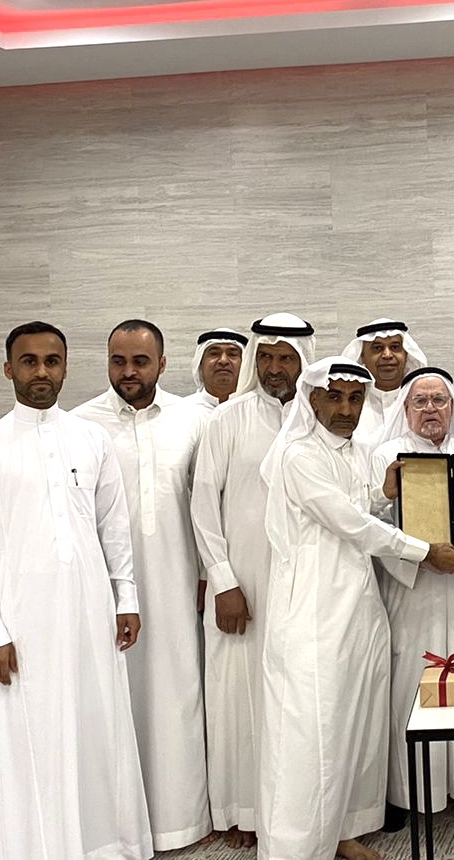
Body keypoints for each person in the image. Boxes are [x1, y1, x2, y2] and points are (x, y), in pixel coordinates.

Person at [259, 357, 454, 860]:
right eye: (335, 397)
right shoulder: (298, 454)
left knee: (355, 721)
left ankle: (342, 831)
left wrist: (385, 493)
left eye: (355, 399)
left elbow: (361, 508)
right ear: (313, 400)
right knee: (312, 728)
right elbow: (351, 524)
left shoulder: (355, 451)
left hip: (359, 603)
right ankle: (296, 847)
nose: (346, 409)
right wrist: (425, 551)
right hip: (314, 608)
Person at [0, 320, 151, 858]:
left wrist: (126, 598)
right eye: (29, 361)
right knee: (28, 731)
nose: (41, 371)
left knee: (95, 721)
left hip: (90, 609)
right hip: (21, 619)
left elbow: (114, 526)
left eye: (52, 361)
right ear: (8, 369)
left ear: (65, 367)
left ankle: (102, 844)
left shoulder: (91, 439)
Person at [74, 319, 213, 849]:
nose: (128, 372)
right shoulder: (80, 425)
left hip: (178, 583)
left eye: (140, 361)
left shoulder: (192, 419)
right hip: (106, 590)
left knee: (177, 697)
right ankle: (121, 828)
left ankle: (182, 821)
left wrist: (208, 574)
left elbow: (209, 505)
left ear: (162, 364)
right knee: (116, 702)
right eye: (118, 361)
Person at [190, 312, 313, 849]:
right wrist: (223, 581)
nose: (274, 368)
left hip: (302, 585)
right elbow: (202, 504)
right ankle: (242, 809)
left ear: (303, 361)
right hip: (241, 584)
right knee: (237, 698)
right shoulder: (228, 419)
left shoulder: (318, 419)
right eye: (265, 356)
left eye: (286, 358)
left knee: (294, 700)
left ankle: (294, 813)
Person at [369, 367, 454, 831]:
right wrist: (421, 556)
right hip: (415, 593)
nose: (430, 409)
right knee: (411, 686)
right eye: (420, 401)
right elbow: (370, 523)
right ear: (406, 409)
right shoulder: (385, 455)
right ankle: (404, 794)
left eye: (439, 401)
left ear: (452, 407)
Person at [340, 318, 429, 450]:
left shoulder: (426, 405)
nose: (387, 355)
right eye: (377, 348)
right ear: (362, 356)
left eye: (395, 347)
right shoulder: (348, 405)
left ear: (406, 354)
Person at [187, 327, 247, 413]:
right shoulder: (179, 411)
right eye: (214, 354)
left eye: (232, 354)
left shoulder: (256, 411)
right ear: (200, 364)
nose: (223, 361)